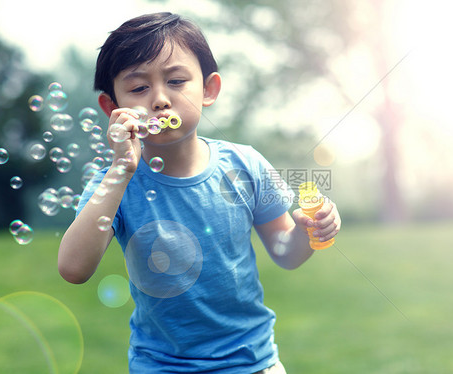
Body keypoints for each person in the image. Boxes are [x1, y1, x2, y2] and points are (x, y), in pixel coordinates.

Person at [58, 12, 341, 374]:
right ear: (113, 109)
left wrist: (306, 232)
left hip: (253, 363)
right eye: (139, 88)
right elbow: (73, 269)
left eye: (176, 80)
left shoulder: (246, 164)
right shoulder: (113, 183)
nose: (160, 99)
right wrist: (120, 170)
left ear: (208, 90)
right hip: (161, 366)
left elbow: (286, 253)